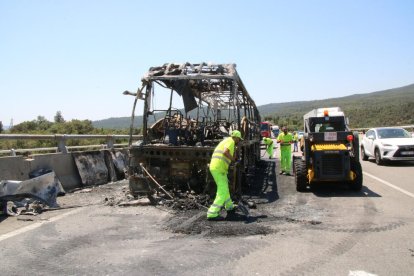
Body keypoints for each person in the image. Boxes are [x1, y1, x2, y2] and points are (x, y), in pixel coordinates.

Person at [207, 130, 242, 220]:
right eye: (239, 139)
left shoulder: (226, 140)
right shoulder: (231, 141)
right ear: (236, 137)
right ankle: (212, 213)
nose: (239, 141)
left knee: (225, 188)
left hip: (218, 168)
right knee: (222, 191)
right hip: (219, 169)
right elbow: (225, 152)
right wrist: (233, 159)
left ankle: (229, 206)